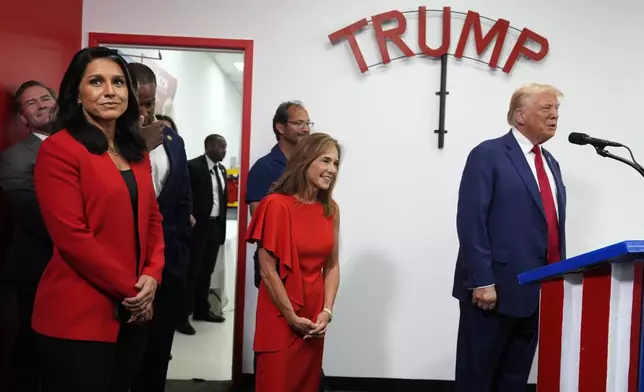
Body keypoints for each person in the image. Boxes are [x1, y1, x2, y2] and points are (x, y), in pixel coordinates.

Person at [32, 47, 165, 392]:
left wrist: (152, 273)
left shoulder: (135, 152)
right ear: (76, 93)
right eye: (97, 81)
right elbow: (73, 238)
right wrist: (135, 291)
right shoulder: (59, 149)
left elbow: (153, 220)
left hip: (133, 314)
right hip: (77, 317)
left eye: (118, 82)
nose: (110, 91)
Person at [452, 83, 566, 392]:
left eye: (556, 110)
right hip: (493, 291)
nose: (555, 115)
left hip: (537, 291)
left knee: (514, 381)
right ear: (519, 115)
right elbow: (471, 219)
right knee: (477, 380)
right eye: (546, 109)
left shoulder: (550, 163)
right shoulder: (488, 154)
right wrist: (481, 280)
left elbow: (549, 225)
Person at [246, 132, 341, 392]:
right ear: (305, 160)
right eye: (325, 161)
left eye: (335, 163)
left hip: (313, 321)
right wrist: (290, 316)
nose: (331, 169)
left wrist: (327, 312)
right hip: (279, 316)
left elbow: (332, 266)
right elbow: (267, 270)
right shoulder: (275, 205)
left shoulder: (331, 209)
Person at [126, 63, 192, 392]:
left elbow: (182, 199)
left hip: (168, 266)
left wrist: (178, 251)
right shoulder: (103, 144)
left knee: (157, 357)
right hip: (125, 270)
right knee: (125, 362)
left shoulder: (173, 141)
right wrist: (139, 146)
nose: (143, 111)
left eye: (149, 103)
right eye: (135, 103)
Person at [0, 80, 56, 392]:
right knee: (33, 344)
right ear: (23, 118)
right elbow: (33, 213)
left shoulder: (88, 145)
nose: (42, 104)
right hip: (36, 266)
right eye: (31, 103)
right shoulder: (15, 158)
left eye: (46, 98)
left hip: (79, 269)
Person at [177, 134, 228, 335]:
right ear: (209, 147)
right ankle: (182, 316)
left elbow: (222, 201)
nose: (224, 151)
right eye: (221, 147)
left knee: (206, 271)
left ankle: (201, 309)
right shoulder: (193, 167)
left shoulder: (221, 170)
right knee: (192, 272)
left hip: (215, 228)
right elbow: (186, 195)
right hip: (197, 228)